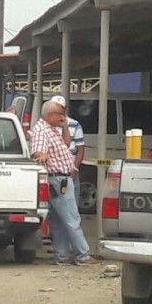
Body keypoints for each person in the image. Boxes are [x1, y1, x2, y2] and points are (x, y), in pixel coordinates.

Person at [30, 99, 100, 266]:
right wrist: (42, 156)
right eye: (60, 114)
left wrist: (64, 127)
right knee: (71, 218)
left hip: (59, 178)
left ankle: (62, 256)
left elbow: (67, 144)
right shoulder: (42, 131)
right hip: (58, 179)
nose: (63, 117)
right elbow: (38, 152)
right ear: (50, 115)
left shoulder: (52, 129)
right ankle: (83, 256)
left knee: (58, 220)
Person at [49, 95, 85, 208]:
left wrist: (75, 169)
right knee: (52, 209)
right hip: (51, 173)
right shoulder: (46, 125)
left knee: (71, 207)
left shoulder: (75, 125)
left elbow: (80, 149)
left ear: (64, 109)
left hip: (69, 173)